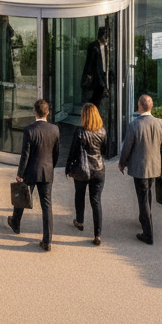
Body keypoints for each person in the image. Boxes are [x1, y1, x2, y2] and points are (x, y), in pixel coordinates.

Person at [7, 99, 59, 251]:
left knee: (23, 198)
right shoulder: (55, 129)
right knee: (47, 206)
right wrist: (51, 167)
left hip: (31, 171)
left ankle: (16, 223)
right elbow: (56, 153)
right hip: (47, 171)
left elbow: (25, 155)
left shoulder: (29, 130)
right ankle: (47, 240)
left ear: (35, 112)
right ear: (47, 112)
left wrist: (20, 173)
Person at [118, 93, 162, 244]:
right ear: (151, 106)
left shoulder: (134, 125)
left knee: (143, 199)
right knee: (147, 196)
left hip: (140, 168)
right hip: (155, 167)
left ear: (139, 106)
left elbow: (127, 147)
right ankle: (145, 219)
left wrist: (122, 163)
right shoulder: (161, 123)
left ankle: (148, 233)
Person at [65, 102, 108, 246]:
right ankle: (98, 234)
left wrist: (68, 168)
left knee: (79, 195)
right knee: (96, 201)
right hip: (98, 169)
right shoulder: (102, 131)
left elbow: (73, 152)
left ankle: (80, 221)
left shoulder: (79, 132)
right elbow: (104, 150)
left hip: (82, 169)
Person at [82, 26, 110, 106]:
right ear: (101, 36)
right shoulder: (93, 46)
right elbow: (89, 62)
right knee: (96, 97)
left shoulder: (106, 47)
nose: (107, 40)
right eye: (105, 37)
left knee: (100, 96)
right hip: (97, 76)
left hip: (104, 74)